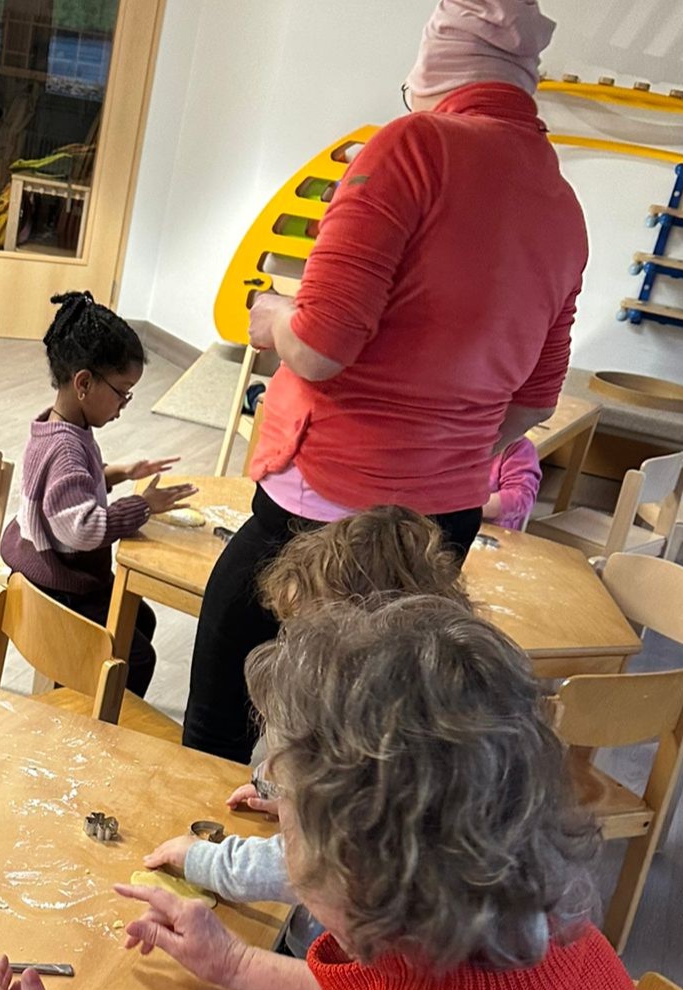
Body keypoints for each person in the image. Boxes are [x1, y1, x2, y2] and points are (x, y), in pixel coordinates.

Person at [185, 0, 586, 762]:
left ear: (435, 66)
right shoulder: (563, 202)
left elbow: (325, 346)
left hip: (325, 518)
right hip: (443, 526)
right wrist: (442, 441)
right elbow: (536, 397)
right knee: (363, 744)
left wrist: (270, 317)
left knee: (222, 728)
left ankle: (211, 866)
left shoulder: (414, 144)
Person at [0, 598, 647, 990]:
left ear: (352, 864)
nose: (274, 814)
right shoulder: (540, 935)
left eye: (288, 809)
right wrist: (237, 966)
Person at [143, 507, 473, 970]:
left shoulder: (379, 747)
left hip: (349, 965)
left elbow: (321, 864)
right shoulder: (416, 711)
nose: (294, 645)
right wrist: (287, 793)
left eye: (305, 634)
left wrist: (204, 861)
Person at [0, 291, 196, 696]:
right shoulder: (67, 446)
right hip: (57, 583)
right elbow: (80, 529)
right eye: (122, 391)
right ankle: (100, 720)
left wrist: (115, 473)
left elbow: (63, 494)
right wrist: (143, 506)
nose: (124, 404)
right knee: (139, 657)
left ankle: (78, 690)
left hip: (54, 568)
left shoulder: (58, 428)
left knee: (140, 620)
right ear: (84, 382)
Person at [483, 436, 542, 530]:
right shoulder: (457, 440)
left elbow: (522, 498)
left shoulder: (518, 447)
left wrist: (474, 507)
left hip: (493, 533)